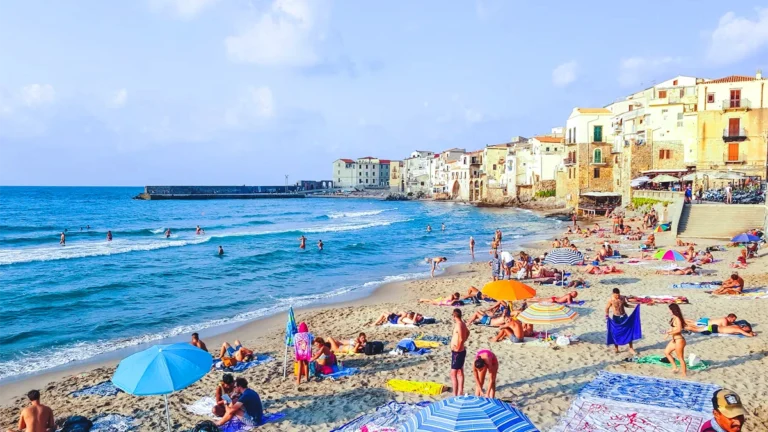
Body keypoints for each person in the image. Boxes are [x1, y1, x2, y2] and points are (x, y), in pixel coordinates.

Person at [605, 288, 636, 355]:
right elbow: (607, 308)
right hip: (616, 317)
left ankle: (631, 348)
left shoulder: (622, 298)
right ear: (613, 294)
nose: (618, 296)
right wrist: (607, 315)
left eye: (618, 295)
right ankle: (616, 348)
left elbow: (625, 305)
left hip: (624, 316)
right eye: (616, 295)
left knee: (629, 330)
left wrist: (633, 306)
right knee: (616, 332)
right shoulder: (611, 300)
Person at [450, 308, 469, 397]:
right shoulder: (462, 324)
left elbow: (461, 338)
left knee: (453, 373)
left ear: (454, 316)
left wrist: (458, 346)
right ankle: (459, 392)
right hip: (460, 351)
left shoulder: (459, 324)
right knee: (460, 372)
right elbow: (468, 333)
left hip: (458, 352)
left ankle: (455, 393)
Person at [664, 303, 687, 377]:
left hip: (679, 340)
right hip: (674, 340)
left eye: (670, 310)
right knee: (667, 352)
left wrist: (670, 333)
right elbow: (673, 328)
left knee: (680, 358)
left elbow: (679, 329)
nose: (669, 311)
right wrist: (668, 333)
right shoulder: (673, 318)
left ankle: (684, 374)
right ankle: (675, 367)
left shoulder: (677, 318)